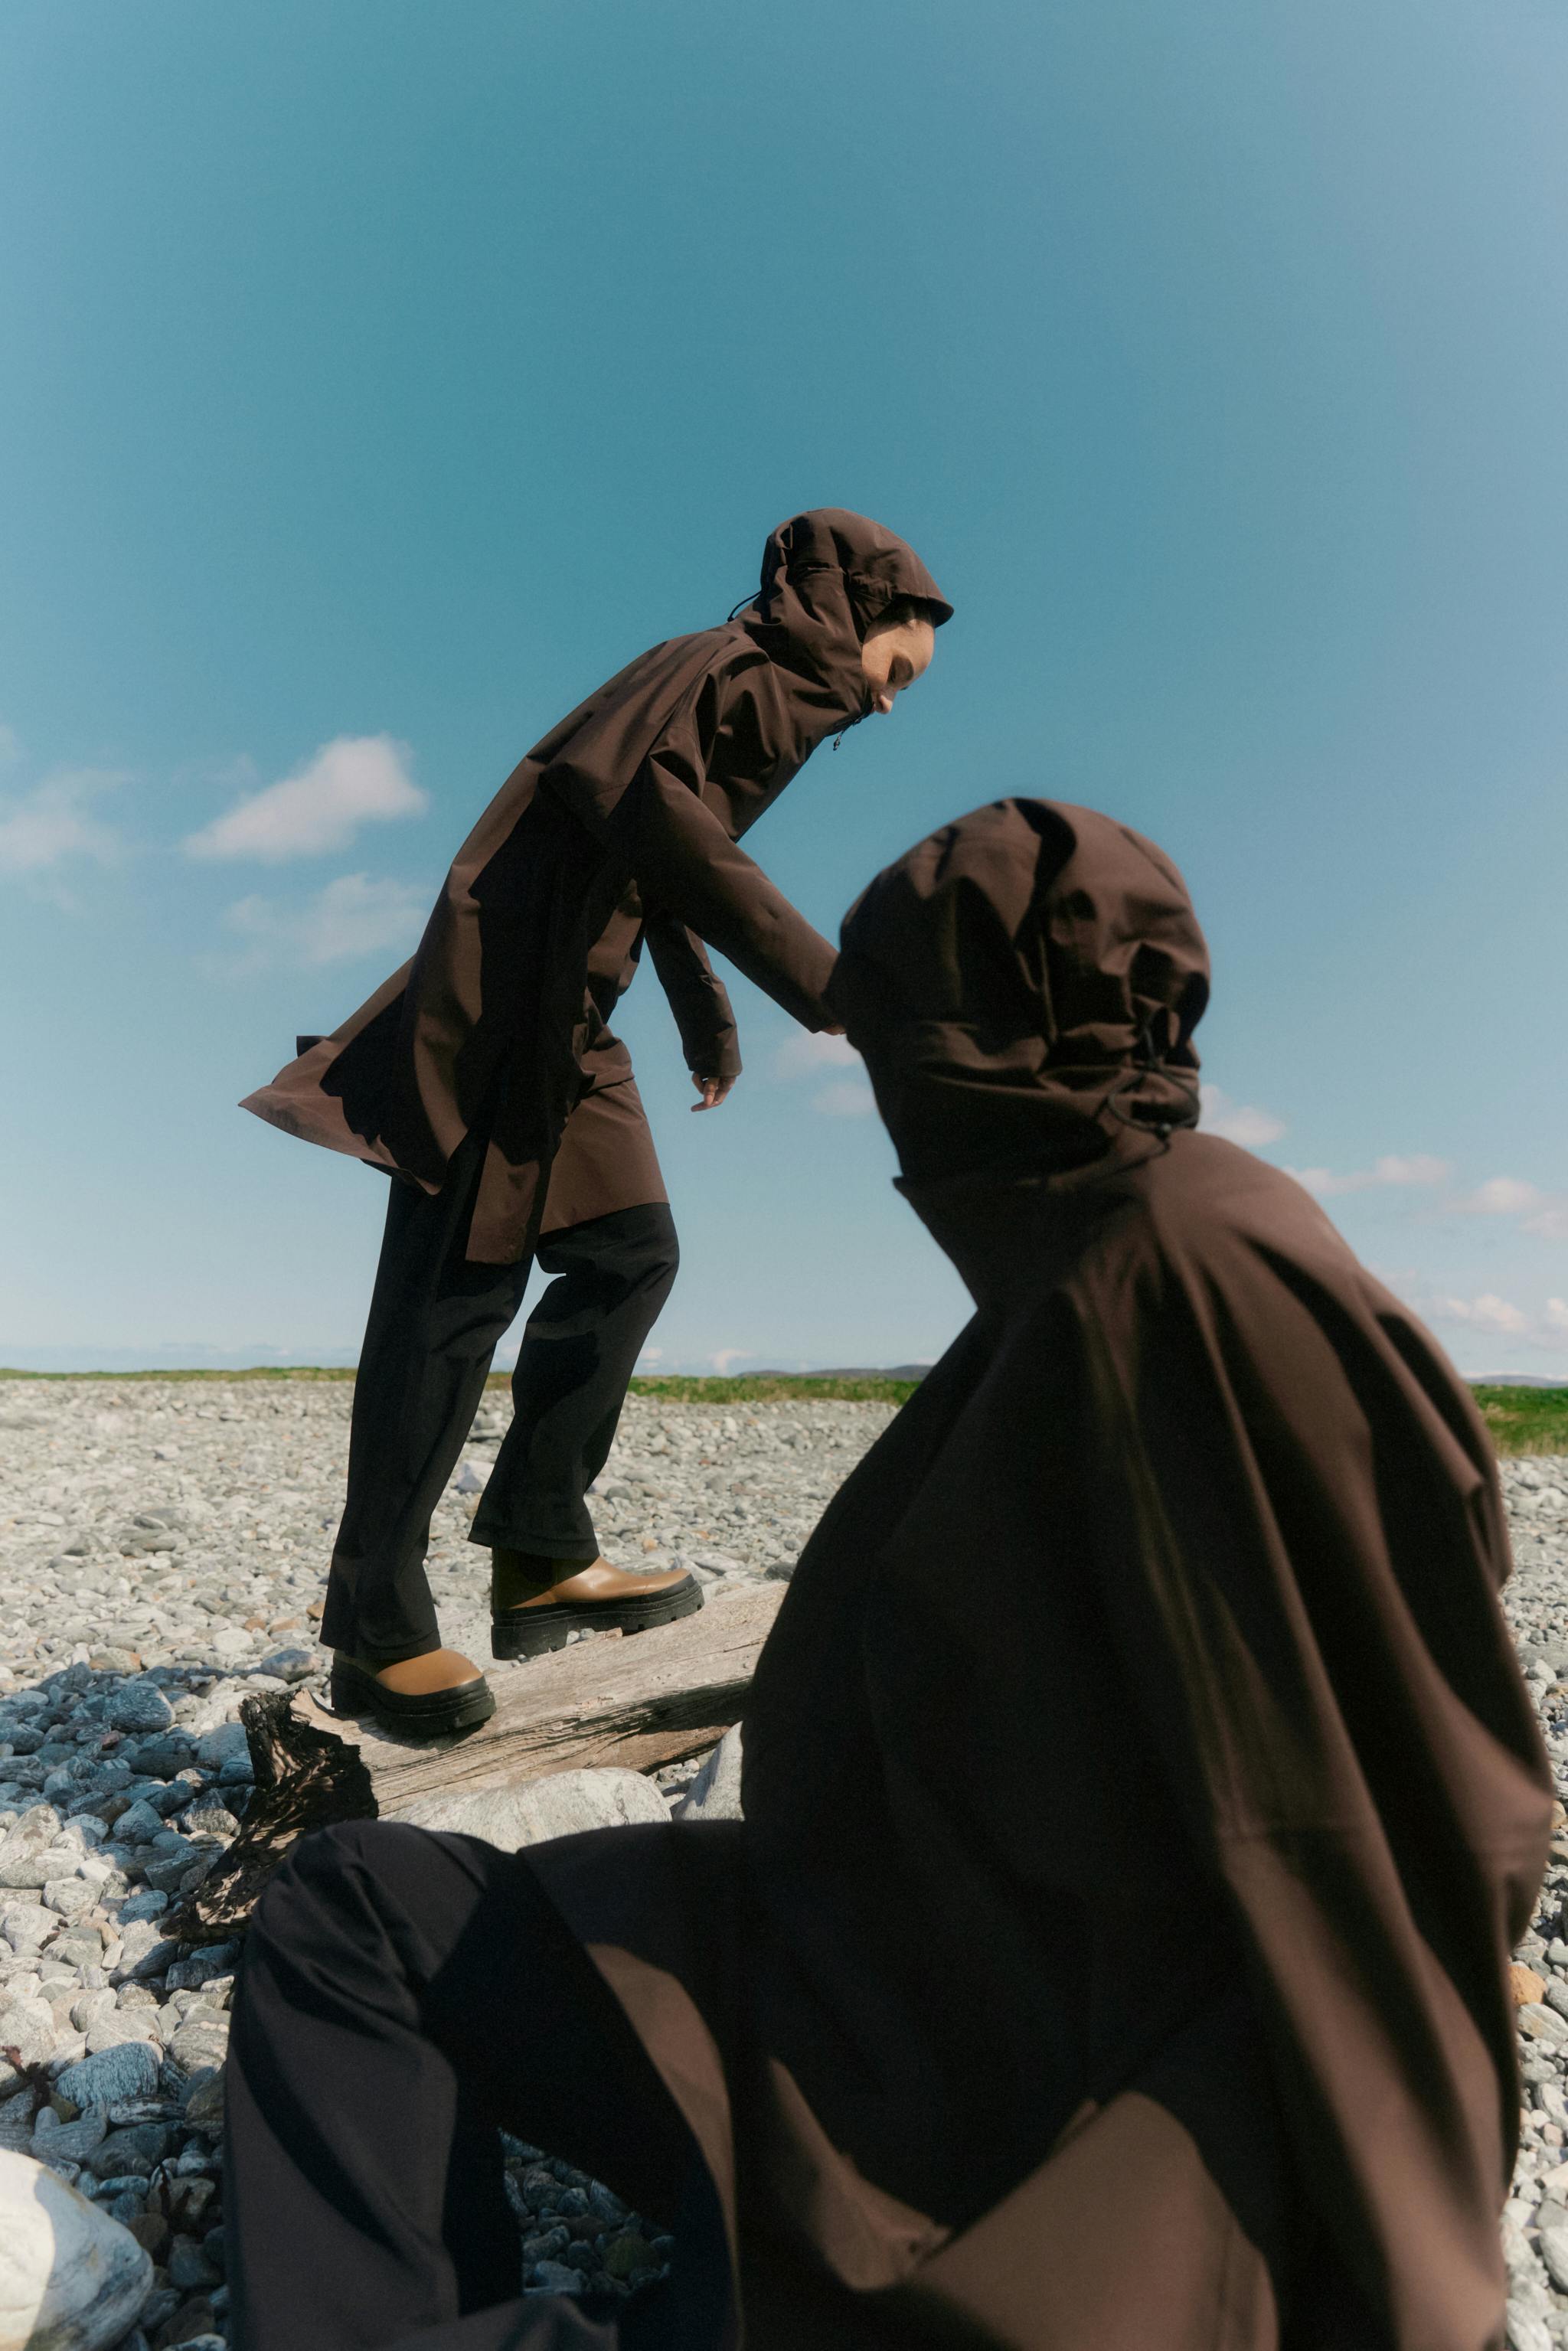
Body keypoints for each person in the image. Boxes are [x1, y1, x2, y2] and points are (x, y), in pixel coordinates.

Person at [227, 798, 1550, 2350]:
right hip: (869, 1980)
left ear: (969, 1046)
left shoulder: (1191, 1288)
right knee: (361, 1908)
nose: (882, 1109)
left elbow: (1364, 1834)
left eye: (890, 1052)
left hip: (1004, 2134)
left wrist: (1387, 2267)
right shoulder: (1075, 1272)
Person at [240, 510, 950, 1735]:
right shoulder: (747, 677)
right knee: (452, 1301)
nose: (886, 707)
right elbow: (652, 817)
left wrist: (707, 1018)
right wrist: (827, 983)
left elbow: (659, 841)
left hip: (580, 1011)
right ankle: (374, 1623)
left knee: (630, 1253)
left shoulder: (740, 681)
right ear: (849, 615)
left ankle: (540, 1552)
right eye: (894, 675)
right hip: (510, 997)